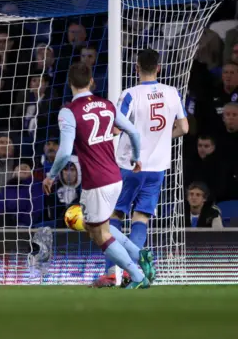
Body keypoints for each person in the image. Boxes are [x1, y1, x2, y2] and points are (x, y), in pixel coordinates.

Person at [42, 63, 153, 289]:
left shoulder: (69, 111)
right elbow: (132, 130)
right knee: (101, 228)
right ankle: (140, 254)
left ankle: (138, 276)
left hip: (96, 182)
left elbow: (64, 152)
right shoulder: (107, 105)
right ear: (92, 81)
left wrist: (51, 175)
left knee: (98, 235)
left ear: (70, 83)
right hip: (115, 177)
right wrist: (136, 157)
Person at [93, 49, 189, 288]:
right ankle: (131, 272)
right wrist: (164, 139)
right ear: (158, 68)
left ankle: (111, 273)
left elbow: (115, 129)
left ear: (136, 68)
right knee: (141, 218)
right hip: (157, 168)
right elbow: (184, 128)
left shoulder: (130, 94)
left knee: (113, 217)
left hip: (128, 165)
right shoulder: (172, 93)